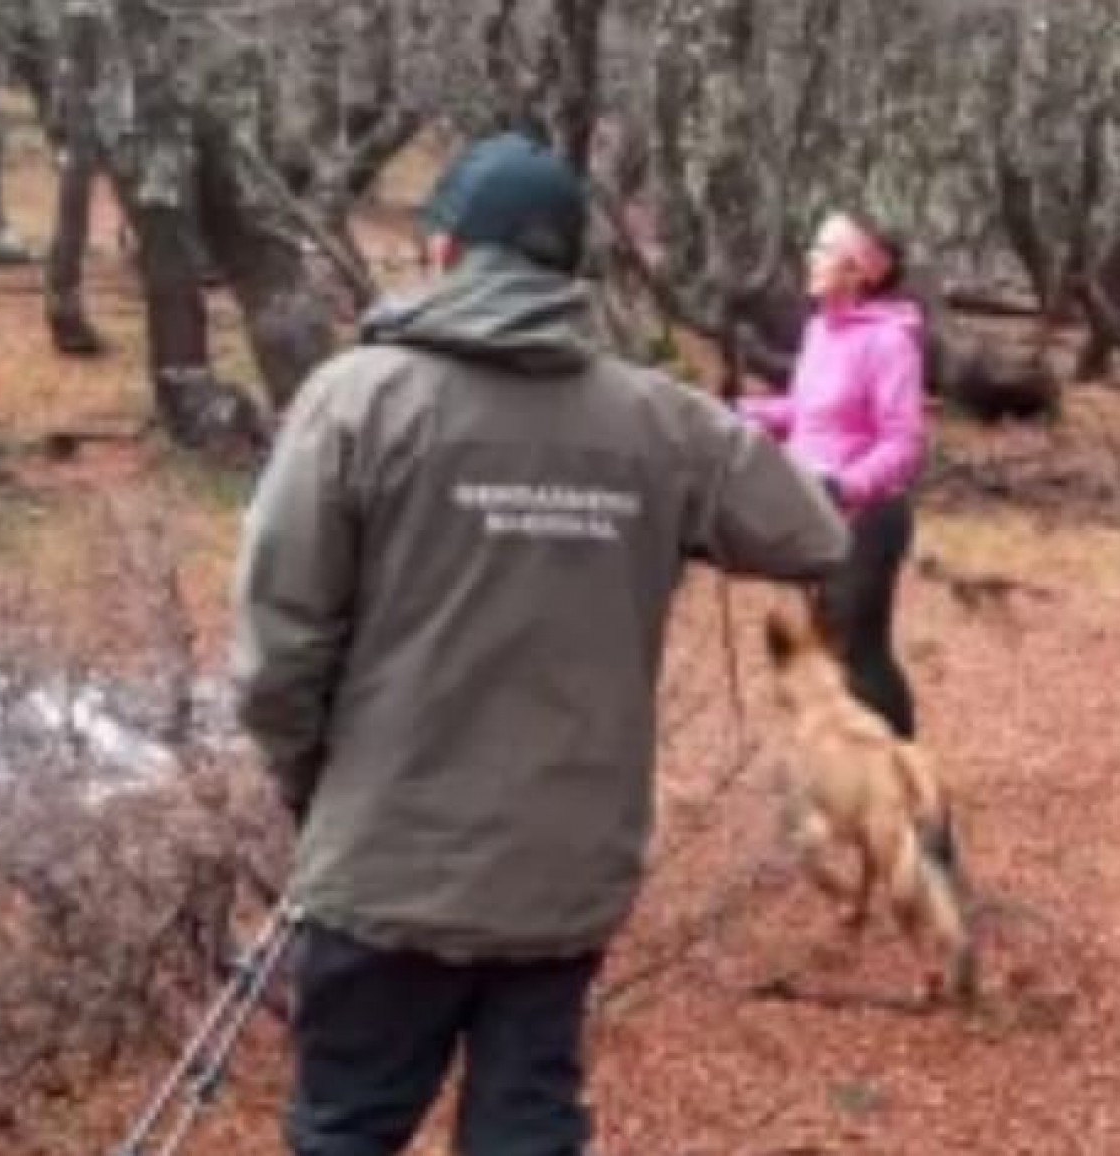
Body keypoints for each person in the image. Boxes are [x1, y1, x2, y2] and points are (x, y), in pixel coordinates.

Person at [229, 132, 850, 1156]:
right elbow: (813, 531)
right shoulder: (657, 421)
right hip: (564, 870)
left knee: (345, 1133)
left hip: (387, 861)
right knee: (526, 1135)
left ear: (443, 254)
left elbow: (275, 654)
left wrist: (319, 788)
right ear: (572, 275)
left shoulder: (356, 399)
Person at [740, 211, 927, 739]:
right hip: (812, 512)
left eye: (824, 249)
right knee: (816, 653)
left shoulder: (890, 342)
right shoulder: (821, 329)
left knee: (858, 657)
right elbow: (805, 413)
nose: (810, 258)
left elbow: (903, 442)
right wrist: (737, 413)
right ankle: (844, 783)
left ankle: (914, 796)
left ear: (860, 269)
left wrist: (844, 487)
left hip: (866, 520)